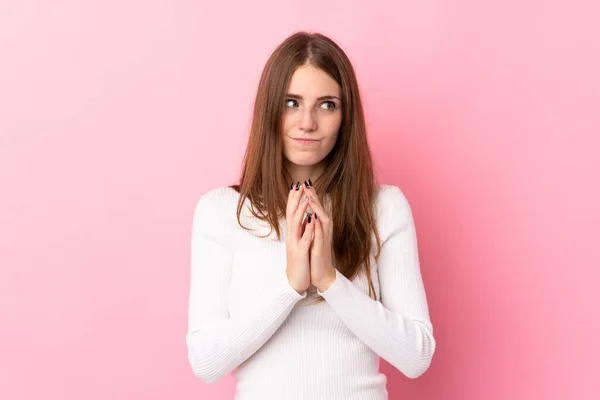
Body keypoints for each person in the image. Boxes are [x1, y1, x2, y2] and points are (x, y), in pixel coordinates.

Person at [185, 31, 436, 399]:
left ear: (345, 116)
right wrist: (290, 285)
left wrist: (331, 281)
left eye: (327, 104)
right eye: (291, 102)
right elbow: (206, 363)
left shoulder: (383, 207)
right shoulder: (222, 211)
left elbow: (417, 356)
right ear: (269, 108)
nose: (307, 122)